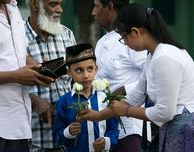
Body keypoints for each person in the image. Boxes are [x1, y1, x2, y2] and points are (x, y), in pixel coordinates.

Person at [81, 3, 194, 152]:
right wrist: (97, 116)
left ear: (135, 32)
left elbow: (165, 112)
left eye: (123, 38)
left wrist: (127, 110)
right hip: (172, 129)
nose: (125, 44)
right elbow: (135, 97)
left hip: (183, 130)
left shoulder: (165, 57)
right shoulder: (152, 56)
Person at [0, 0, 54, 152]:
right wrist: (14, 76)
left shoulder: (13, 7)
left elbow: (19, 54)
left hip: (19, 123)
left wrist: (40, 70)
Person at [92, 0, 150, 151]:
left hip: (129, 130)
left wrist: (124, 90)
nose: (93, 12)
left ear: (110, 7)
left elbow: (151, 73)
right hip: (104, 130)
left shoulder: (131, 38)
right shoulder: (101, 42)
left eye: (96, 6)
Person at [25, 0, 76, 151]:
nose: (60, 9)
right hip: (34, 140)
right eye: (53, 4)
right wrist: (33, 101)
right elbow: (6, 86)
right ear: (35, 4)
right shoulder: (15, 38)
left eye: (61, 4)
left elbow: (77, 81)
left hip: (69, 138)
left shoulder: (67, 34)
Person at [53, 43, 119, 152]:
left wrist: (106, 142)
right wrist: (68, 132)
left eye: (90, 69)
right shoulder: (63, 101)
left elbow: (113, 129)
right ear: (69, 72)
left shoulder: (105, 98)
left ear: (96, 69)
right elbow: (57, 135)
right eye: (79, 70)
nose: (86, 75)